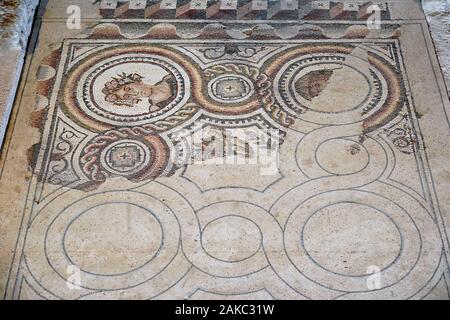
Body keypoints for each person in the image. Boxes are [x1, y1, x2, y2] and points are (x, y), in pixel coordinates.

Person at [102, 72, 177, 112]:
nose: (134, 94)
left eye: (129, 89)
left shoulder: (169, 78)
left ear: (137, 80)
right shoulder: (156, 107)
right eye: (128, 96)